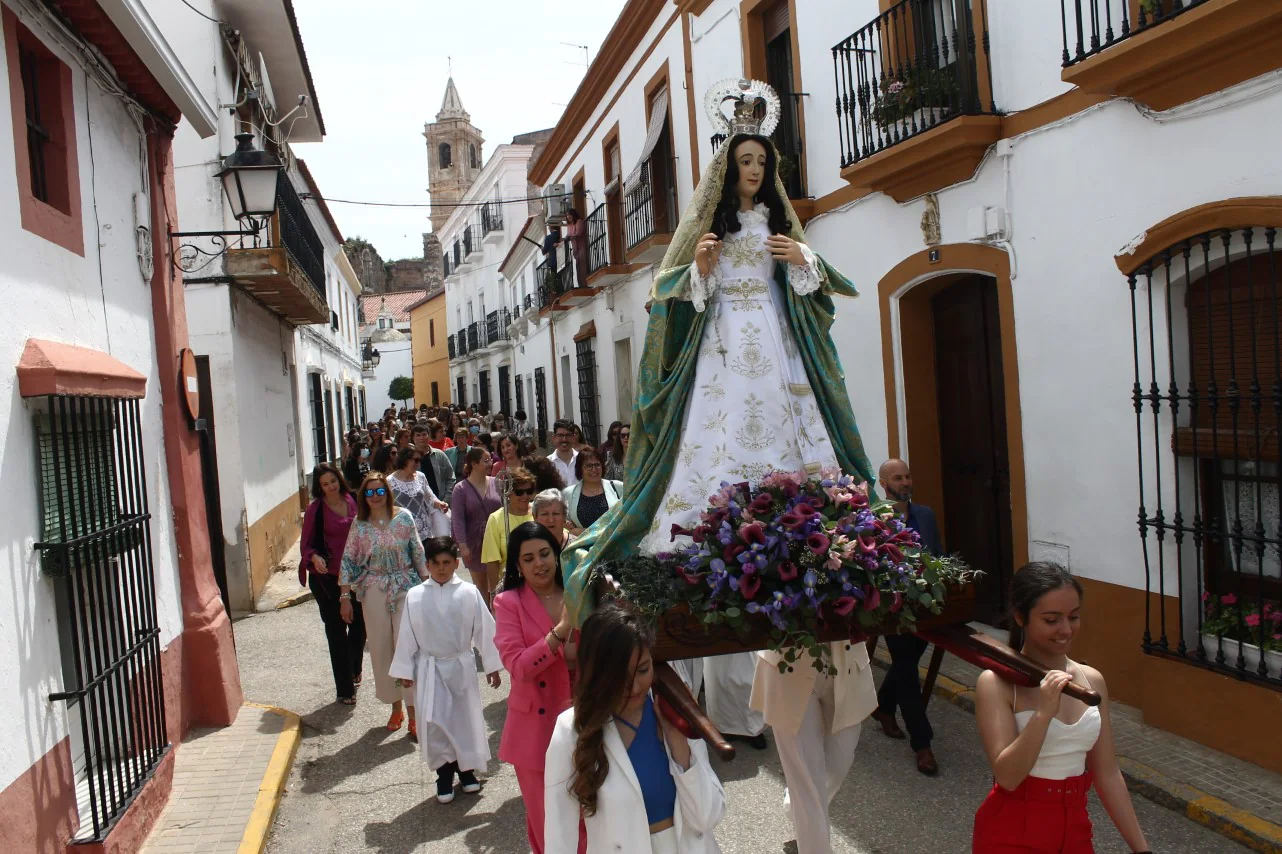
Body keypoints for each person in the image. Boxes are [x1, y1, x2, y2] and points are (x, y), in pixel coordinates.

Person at [561, 80, 877, 614]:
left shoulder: (779, 228)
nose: (753, 169)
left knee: (787, 417)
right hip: (724, 342)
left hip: (775, 340)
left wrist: (804, 259)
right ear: (729, 170)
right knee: (718, 423)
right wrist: (700, 269)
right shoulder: (712, 230)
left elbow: (812, 287)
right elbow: (674, 287)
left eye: (760, 161)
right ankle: (715, 531)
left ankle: (805, 524)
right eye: (745, 161)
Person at [973, 563, 1150, 854]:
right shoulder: (996, 684)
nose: (1065, 629)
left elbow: (1106, 773)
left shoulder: (1091, 680)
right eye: (1051, 620)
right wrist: (1043, 715)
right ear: (1021, 617)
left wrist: (1141, 848)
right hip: (1011, 832)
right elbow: (1007, 776)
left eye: (1074, 616)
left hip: (1075, 831)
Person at [545, 601, 726, 854]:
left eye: (643, 670)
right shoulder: (572, 729)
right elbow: (558, 831)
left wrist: (680, 749)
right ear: (598, 674)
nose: (635, 687)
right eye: (619, 676)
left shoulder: (672, 710)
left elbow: (707, 817)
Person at [389, 537, 502, 804]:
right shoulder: (416, 596)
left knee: (464, 720)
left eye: (447, 563)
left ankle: (466, 771)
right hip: (430, 668)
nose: (441, 568)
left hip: (461, 666)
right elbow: (406, 635)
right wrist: (405, 669)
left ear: (456, 563)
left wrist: (491, 665)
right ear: (427, 564)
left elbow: (484, 630)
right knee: (436, 722)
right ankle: (443, 775)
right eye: (435, 563)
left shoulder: (468, 593)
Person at [493, 523, 583, 854]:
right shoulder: (507, 603)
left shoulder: (580, 593)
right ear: (517, 566)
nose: (539, 564)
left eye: (545, 554)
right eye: (528, 558)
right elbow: (517, 666)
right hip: (535, 729)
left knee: (591, 815)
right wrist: (560, 630)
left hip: (584, 718)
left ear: (557, 555)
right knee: (549, 822)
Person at [869, 458, 944, 775]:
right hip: (893, 607)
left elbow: (938, 555)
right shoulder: (874, 519)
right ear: (884, 484)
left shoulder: (925, 514)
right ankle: (922, 743)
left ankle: (884, 706)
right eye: (897, 478)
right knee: (906, 668)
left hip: (924, 606)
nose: (905, 482)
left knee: (909, 660)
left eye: (908, 476)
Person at [339, 472, 427, 739]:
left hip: (405, 586)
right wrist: (345, 597)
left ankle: (414, 711)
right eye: (369, 492)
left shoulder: (404, 518)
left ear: (387, 493)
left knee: (407, 647)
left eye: (379, 491)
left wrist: (431, 587)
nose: (375, 497)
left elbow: (418, 553)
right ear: (363, 497)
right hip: (374, 590)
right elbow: (348, 560)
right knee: (381, 649)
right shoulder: (360, 524)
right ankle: (395, 707)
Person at [299, 464, 366, 705]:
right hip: (327, 579)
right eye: (324, 484)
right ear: (319, 487)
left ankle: (354, 666)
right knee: (336, 632)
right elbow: (306, 545)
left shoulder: (354, 501)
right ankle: (345, 689)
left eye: (333, 482)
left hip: (358, 576)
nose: (330, 487)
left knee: (359, 627)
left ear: (339, 479)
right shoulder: (315, 510)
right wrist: (314, 557)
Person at [450, 447, 504, 606]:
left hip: (496, 540)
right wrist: (463, 545)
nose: (490, 463)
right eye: (486, 460)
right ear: (473, 464)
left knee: (497, 585)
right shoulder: (460, 489)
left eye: (491, 459)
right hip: (475, 544)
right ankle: (484, 622)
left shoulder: (497, 483)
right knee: (480, 587)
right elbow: (457, 519)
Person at [480, 468, 537, 597]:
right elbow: (492, 561)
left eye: (528, 491)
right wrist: (495, 594)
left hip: (538, 583)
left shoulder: (539, 512)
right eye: (519, 492)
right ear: (509, 493)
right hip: (509, 586)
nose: (525, 496)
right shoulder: (496, 518)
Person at [387, 447, 450, 542]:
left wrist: (441, 504)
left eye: (419, 460)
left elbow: (430, 498)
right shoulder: (389, 481)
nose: (418, 464)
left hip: (424, 532)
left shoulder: (421, 477)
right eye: (416, 460)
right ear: (405, 459)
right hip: (401, 534)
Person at [562, 448, 623, 536]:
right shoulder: (568, 493)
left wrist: (583, 532)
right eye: (588, 466)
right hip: (581, 547)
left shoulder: (618, 488)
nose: (594, 469)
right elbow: (565, 526)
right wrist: (569, 527)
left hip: (613, 545)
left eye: (597, 465)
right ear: (580, 469)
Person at [412, 424, 455, 503]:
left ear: (429, 436)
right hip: (419, 504)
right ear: (413, 438)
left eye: (424, 434)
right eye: (418, 435)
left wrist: (446, 499)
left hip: (441, 502)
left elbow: (451, 478)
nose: (422, 438)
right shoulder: (409, 458)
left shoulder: (439, 454)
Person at [561, 207, 589, 288]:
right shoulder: (569, 225)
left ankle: (584, 284)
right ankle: (581, 284)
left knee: (582, 265)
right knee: (577, 266)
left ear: (573, 215)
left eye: (569, 215)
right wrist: (560, 242)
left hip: (581, 246)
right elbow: (567, 236)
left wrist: (570, 237)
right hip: (575, 248)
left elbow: (578, 233)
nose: (568, 217)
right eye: (567, 215)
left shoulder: (579, 221)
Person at [548, 420, 580, 487]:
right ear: (554, 438)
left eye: (568, 435)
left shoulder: (582, 459)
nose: (564, 439)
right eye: (560, 435)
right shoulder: (548, 463)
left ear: (573, 437)